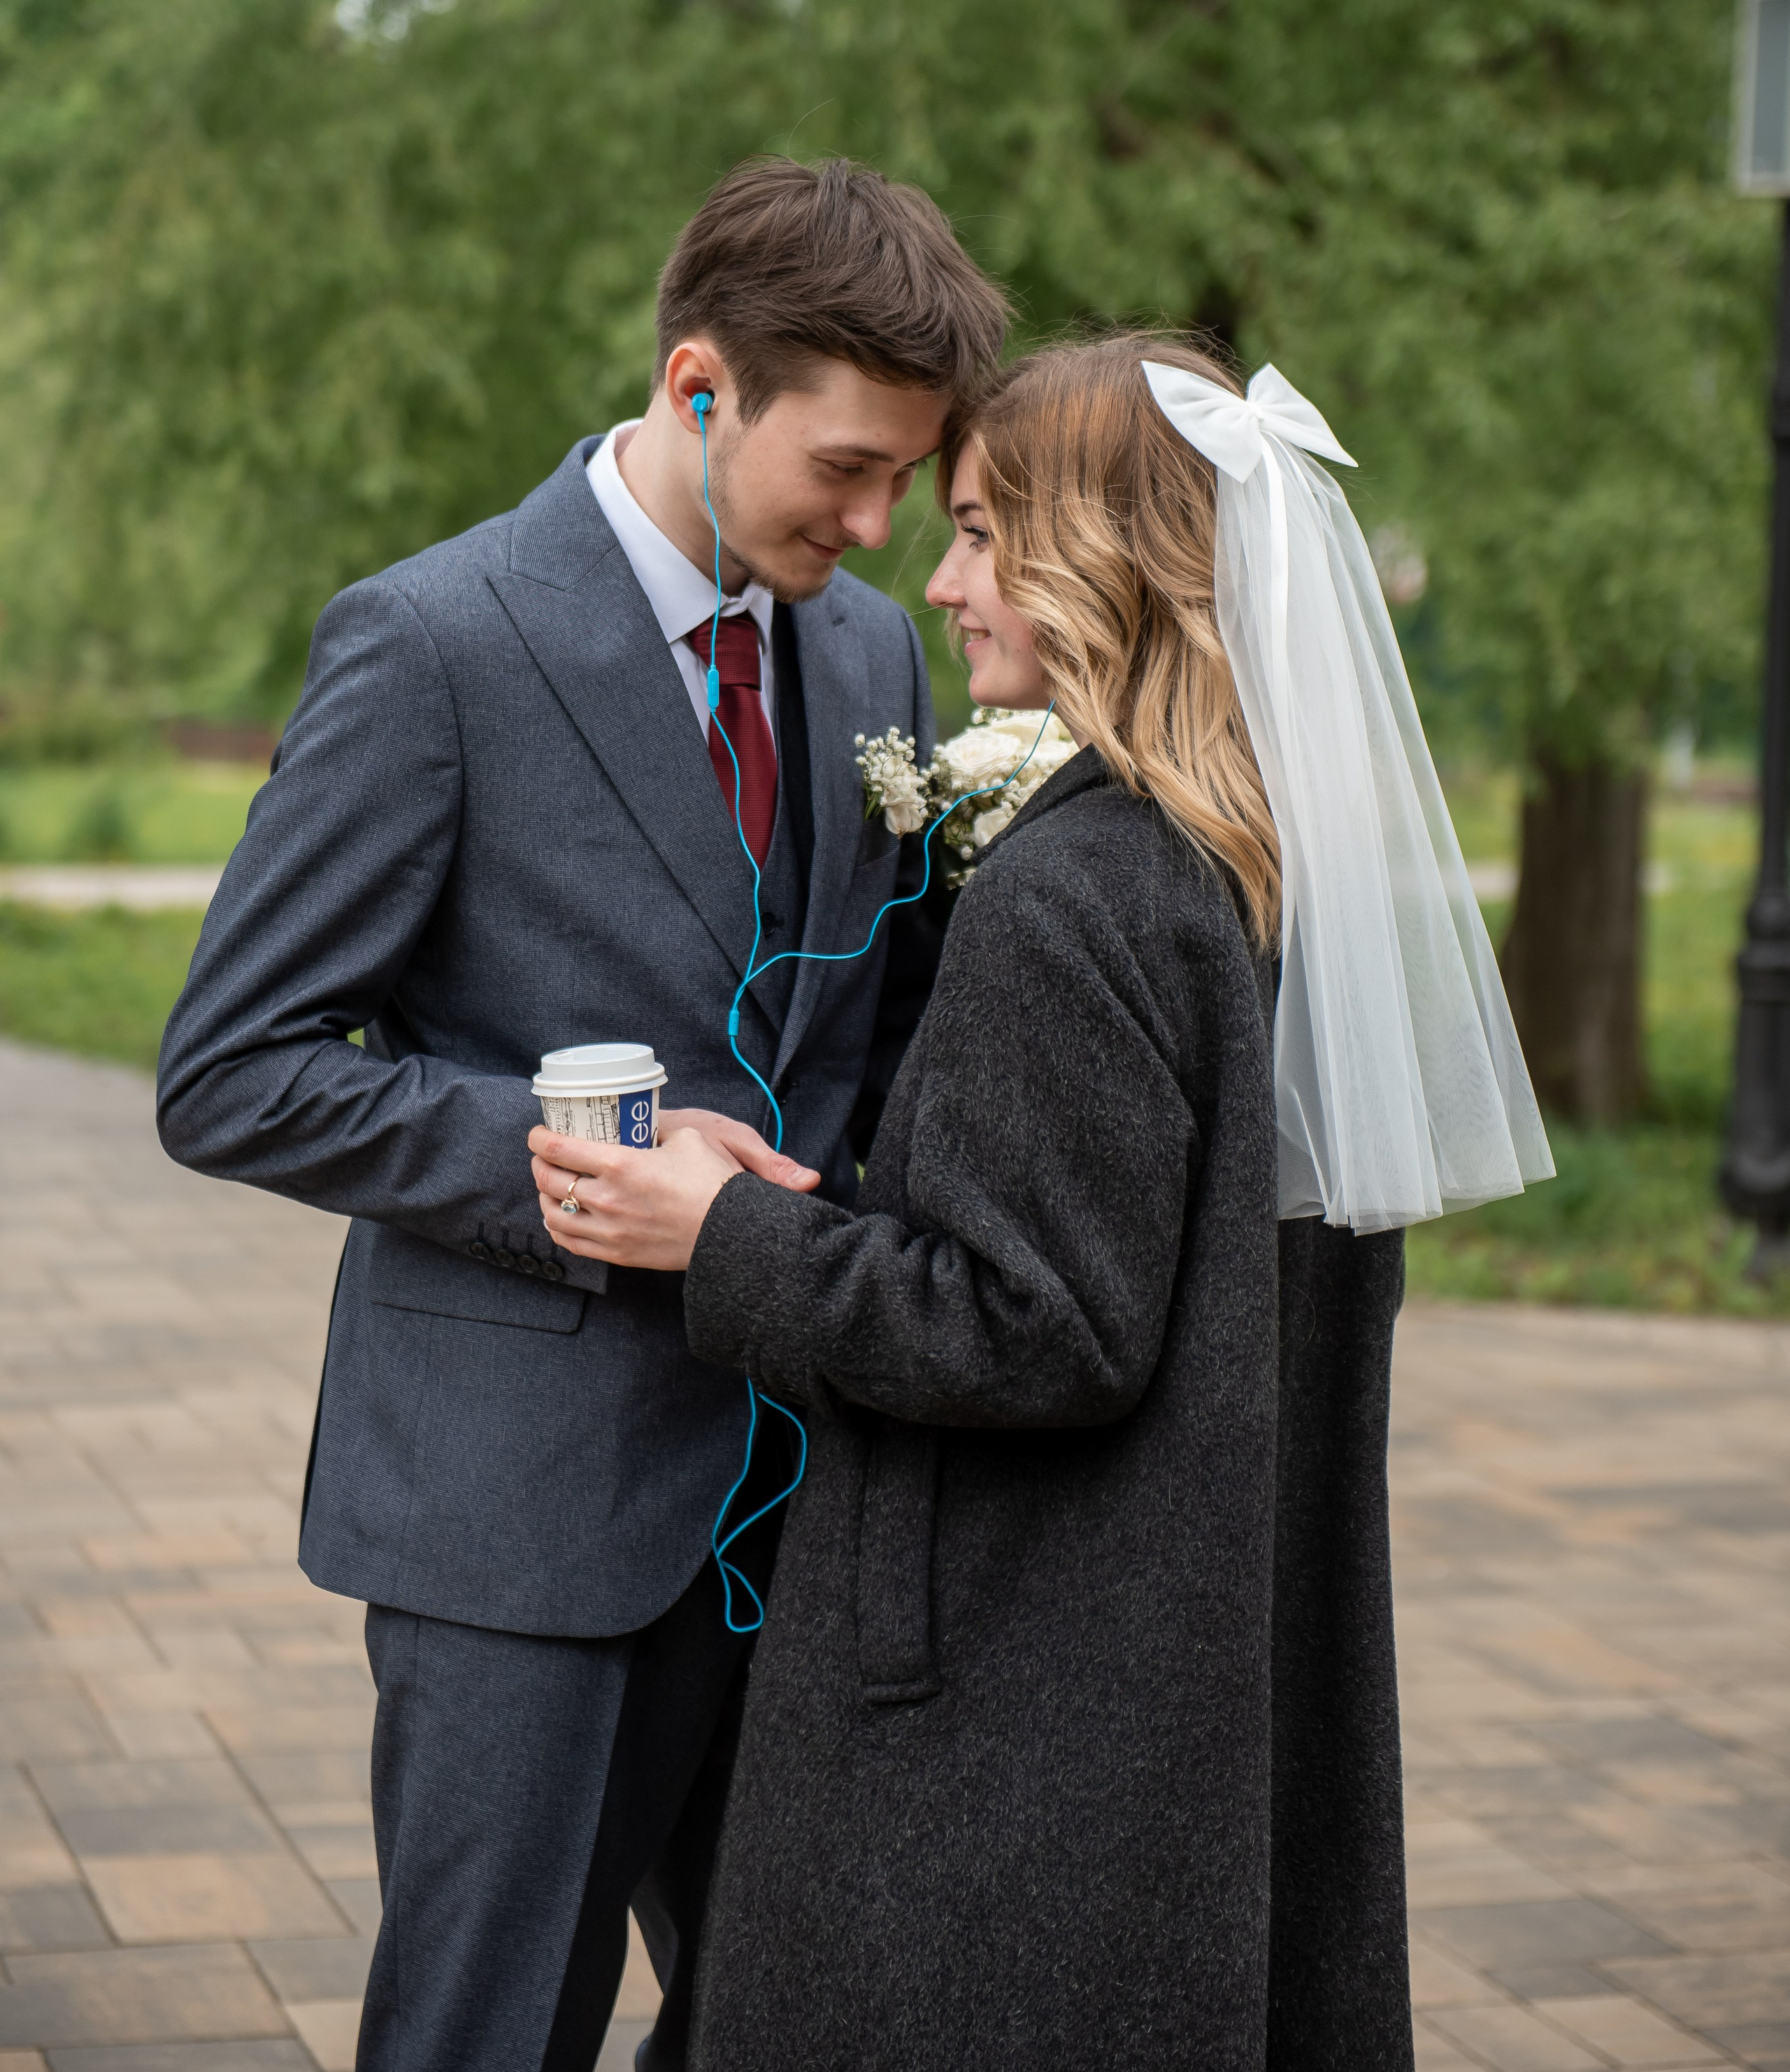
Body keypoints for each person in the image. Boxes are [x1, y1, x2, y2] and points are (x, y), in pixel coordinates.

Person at [534, 331, 1552, 2071]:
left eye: (987, 531)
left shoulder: (1077, 894)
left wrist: (720, 1232)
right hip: (1178, 1666)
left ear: (1113, 559)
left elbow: (1032, 1323)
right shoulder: (1257, 874)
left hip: (1016, 1699)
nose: (935, 578)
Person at [155, 156, 1009, 2072]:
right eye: (847, 469)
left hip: (804, 1488)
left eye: (905, 479)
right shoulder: (433, 642)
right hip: (515, 1517)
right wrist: (580, 1177)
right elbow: (231, 1069)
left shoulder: (861, 650)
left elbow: (871, 1022)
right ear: (702, 386)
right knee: (490, 2034)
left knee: (796, 2023)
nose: (878, 526)